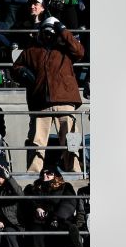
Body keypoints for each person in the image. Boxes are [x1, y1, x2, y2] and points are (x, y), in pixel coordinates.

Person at [12, 17, 84, 174]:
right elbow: (15, 68)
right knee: (37, 141)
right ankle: (33, 173)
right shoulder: (31, 50)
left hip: (64, 100)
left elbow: (79, 51)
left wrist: (63, 30)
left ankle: (74, 171)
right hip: (40, 102)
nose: (48, 35)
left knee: (71, 140)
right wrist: (22, 72)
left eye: (52, 31)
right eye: (45, 31)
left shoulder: (66, 48)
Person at [22, 166, 82, 247]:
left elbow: (69, 203)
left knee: (63, 227)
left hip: (58, 218)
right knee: (36, 231)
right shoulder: (32, 188)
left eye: (49, 173)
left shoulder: (65, 187)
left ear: (56, 175)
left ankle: (76, 243)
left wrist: (56, 217)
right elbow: (27, 201)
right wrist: (36, 208)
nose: (45, 175)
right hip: (39, 220)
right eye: (43, 173)